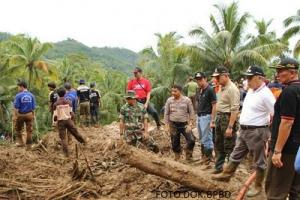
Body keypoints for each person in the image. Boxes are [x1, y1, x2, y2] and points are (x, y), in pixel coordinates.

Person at [212, 65, 276, 197]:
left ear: (259, 78)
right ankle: (226, 174)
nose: (247, 80)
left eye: (250, 77)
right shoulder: (252, 90)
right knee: (236, 153)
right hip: (245, 130)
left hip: (258, 132)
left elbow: (275, 114)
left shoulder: (266, 94)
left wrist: (270, 134)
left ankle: (258, 186)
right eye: (247, 77)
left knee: (259, 160)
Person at [265, 57, 300, 199]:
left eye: (281, 71)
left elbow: (286, 122)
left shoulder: (289, 92)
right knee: (295, 190)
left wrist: (277, 150)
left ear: (292, 72)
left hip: (286, 150)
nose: (277, 74)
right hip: (297, 149)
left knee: (276, 191)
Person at [211, 66, 240, 174]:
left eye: (218, 77)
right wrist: (214, 120)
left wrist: (230, 127)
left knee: (229, 145)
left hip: (227, 118)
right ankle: (218, 167)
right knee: (219, 144)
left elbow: (235, 109)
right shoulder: (221, 87)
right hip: (220, 117)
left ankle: (230, 170)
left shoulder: (232, 89)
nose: (216, 80)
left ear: (225, 76)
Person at [164, 85, 195, 162]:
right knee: (175, 142)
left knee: (191, 140)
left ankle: (188, 156)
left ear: (180, 91)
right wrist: (166, 125)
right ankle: (177, 156)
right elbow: (166, 113)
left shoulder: (187, 100)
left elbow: (191, 113)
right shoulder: (169, 100)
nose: (173, 93)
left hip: (184, 124)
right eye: (172, 91)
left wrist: (190, 124)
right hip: (173, 124)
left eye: (175, 91)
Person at [53, 87, 86, 157]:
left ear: (58, 95)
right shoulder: (69, 102)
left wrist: (55, 122)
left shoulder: (56, 104)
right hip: (68, 120)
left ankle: (66, 154)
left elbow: (55, 116)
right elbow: (72, 113)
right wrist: (73, 120)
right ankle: (84, 143)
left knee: (63, 138)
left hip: (61, 122)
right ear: (65, 94)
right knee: (75, 133)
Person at [194, 72, 217, 166]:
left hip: (207, 116)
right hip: (199, 116)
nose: (199, 81)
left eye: (200, 79)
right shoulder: (200, 90)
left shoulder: (210, 90)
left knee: (207, 137)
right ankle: (204, 156)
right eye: (197, 80)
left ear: (205, 79)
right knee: (202, 137)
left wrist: (212, 119)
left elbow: (215, 105)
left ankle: (208, 158)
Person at [13, 80, 36, 147]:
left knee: (18, 129)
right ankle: (29, 144)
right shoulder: (31, 95)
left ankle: (21, 143)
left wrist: (15, 116)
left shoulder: (18, 95)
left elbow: (16, 107)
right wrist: (33, 115)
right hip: (29, 114)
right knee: (29, 130)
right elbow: (33, 107)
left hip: (21, 115)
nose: (18, 88)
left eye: (18, 87)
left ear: (22, 87)